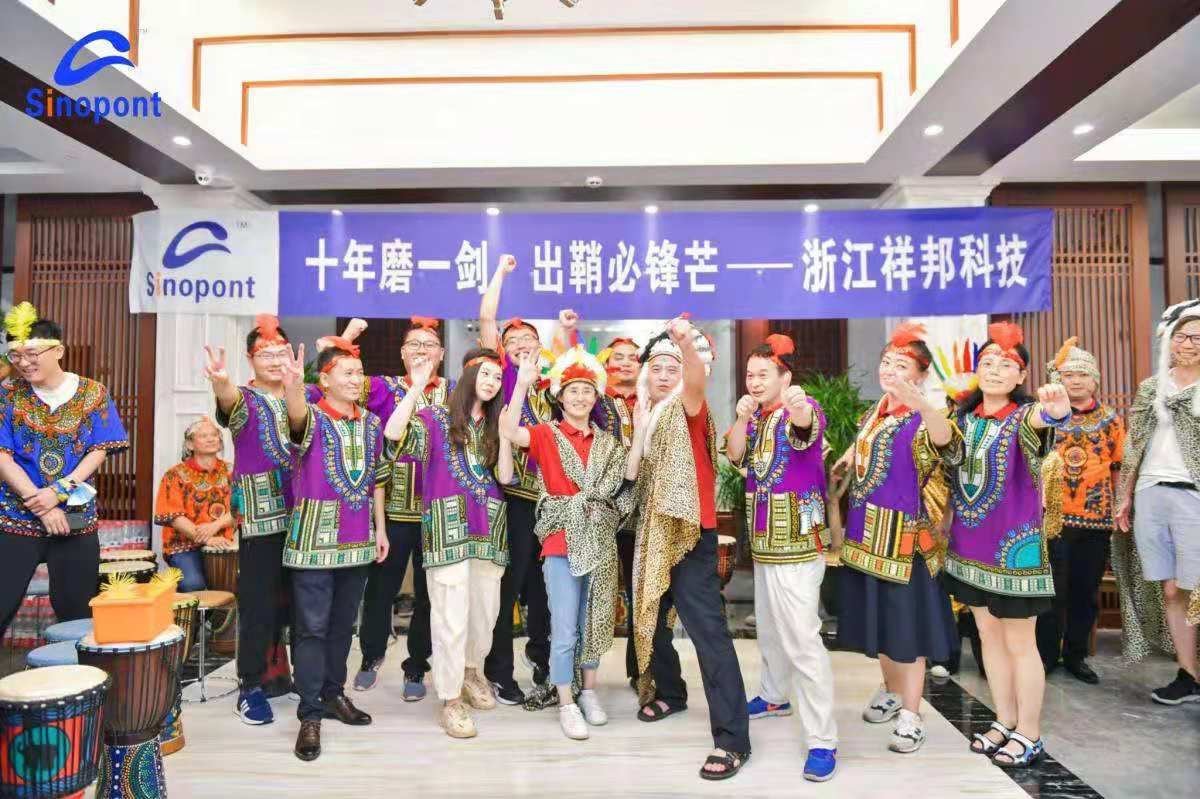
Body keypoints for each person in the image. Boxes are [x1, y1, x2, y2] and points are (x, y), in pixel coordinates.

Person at [626, 317, 751, 781]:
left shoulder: (687, 406)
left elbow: (696, 378)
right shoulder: (647, 415)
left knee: (708, 635)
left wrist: (684, 344)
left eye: (672, 368)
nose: (664, 375)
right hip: (653, 532)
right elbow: (634, 476)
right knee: (651, 619)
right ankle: (672, 693)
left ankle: (733, 739)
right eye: (656, 367)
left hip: (690, 533)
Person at [943, 322, 1070, 769]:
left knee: (1020, 642)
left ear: (1021, 376)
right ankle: (1004, 720)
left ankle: (1029, 733)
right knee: (987, 638)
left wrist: (1057, 410)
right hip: (969, 546)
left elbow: (1045, 420)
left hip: (1015, 550)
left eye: (1007, 363)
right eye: (988, 362)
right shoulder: (963, 419)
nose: (995, 369)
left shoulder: (1024, 416)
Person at [832, 323, 958, 756]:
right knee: (882, 624)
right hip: (868, 536)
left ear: (921, 374)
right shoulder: (878, 411)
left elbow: (944, 441)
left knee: (908, 630)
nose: (890, 370)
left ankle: (912, 714)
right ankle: (890, 690)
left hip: (905, 540)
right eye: (887, 362)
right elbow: (872, 446)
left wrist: (920, 401)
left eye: (902, 365)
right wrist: (849, 455)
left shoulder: (926, 416)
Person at [499, 346, 637, 740]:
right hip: (560, 540)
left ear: (596, 397)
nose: (580, 397)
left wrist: (642, 421)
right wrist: (522, 385)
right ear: (560, 397)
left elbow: (628, 478)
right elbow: (509, 431)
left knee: (594, 622)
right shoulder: (547, 434)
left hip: (600, 538)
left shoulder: (608, 443)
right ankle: (565, 701)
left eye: (587, 391)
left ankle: (588, 691)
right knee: (563, 628)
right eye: (572, 390)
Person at [725, 333, 838, 781]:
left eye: (763, 375)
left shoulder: (800, 409)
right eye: (750, 375)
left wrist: (799, 407)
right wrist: (740, 417)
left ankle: (822, 740)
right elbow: (735, 455)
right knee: (770, 629)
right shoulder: (755, 418)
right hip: (765, 543)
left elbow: (805, 429)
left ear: (785, 377)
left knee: (803, 641)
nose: (754, 382)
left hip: (797, 543)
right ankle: (774, 696)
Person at [385, 348, 514, 739]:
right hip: (447, 531)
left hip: (489, 528)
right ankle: (450, 698)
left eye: (497, 377)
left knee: (485, 614)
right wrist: (417, 387)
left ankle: (471, 672)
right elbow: (393, 435)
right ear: (469, 375)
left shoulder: (494, 424)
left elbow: (504, 476)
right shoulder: (435, 418)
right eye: (485, 374)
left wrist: (506, 433)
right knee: (450, 618)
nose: (491, 382)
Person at [280, 338, 388, 762]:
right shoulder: (312, 416)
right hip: (313, 541)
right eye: (347, 373)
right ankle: (309, 714)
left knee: (344, 626)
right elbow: (295, 418)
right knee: (311, 628)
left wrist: (380, 530)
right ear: (324, 381)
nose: (357, 379)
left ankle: (333, 694)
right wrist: (293, 385)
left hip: (358, 539)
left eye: (359, 373)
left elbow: (376, 479)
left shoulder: (372, 423)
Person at [334, 317, 449, 702]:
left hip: (438, 511)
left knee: (430, 594)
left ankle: (417, 665)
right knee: (380, 589)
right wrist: (346, 340)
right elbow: (335, 379)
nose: (421, 350)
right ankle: (371, 655)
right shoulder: (383, 387)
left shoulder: (453, 392)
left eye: (429, 345)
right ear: (401, 353)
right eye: (414, 344)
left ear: (441, 354)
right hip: (392, 507)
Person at [0, 302, 127, 638]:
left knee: (77, 616)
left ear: (58, 350)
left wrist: (57, 493)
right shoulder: (6, 394)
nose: (23, 363)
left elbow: (98, 449)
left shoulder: (93, 393)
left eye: (32, 354)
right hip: (14, 516)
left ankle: (75, 673)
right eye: (15, 355)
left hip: (74, 517)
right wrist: (41, 504)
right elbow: (2, 457)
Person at [205, 315, 296, 725]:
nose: (275, 360)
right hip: (261, 515)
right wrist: (220, 381)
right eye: (265, 354)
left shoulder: (304, 394)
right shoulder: (244, 399)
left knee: (299, 602)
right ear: (250, 359)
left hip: (306, 514)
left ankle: (289, 676)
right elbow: (227, 402)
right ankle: (250, 685)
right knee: (259, 602)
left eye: (281, 352)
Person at [1114, 300, 1200, 705]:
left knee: (1195, 586)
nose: (1189, 343)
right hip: (1151, 491)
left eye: (1197, 337)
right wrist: (1125, 496)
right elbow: (1134, 443)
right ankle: (1188, 674)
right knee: (1170, 588)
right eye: (1182, 336)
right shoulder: (1153, 387)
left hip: (1193, 493)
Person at [478, 256, 553, 705]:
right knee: (508, 586)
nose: (521, 344)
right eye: (512, 341)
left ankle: (543, 660)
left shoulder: (555, 388)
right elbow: (488, 317)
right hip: (513, 497)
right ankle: (499, 671)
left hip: (553, 504)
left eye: (529, 339)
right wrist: (502, 274)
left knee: (546, 589)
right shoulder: (505, 377)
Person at [1034, 338, 1124, 684]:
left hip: (1096, 520)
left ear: (1094, 381)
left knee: (1085, 593)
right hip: (1052, 519)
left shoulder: (1110, 419)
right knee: (1050, 592)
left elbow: (1118, 466)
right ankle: (1045, 656)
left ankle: (1076, 656)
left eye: (1082, 375)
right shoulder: (1045, 417)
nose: (1075, 381)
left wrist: (1120, 504)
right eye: (1068, 375)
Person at [593, 336, 643, 689]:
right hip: (602, 507)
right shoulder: (594, 399)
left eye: (632, 358)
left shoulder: (653, 400)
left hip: (643, 509)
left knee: (642, 589)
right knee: (593, 589)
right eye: (618, 357)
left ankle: (641, 671)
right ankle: (583, 677)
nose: (625, 363)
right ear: (606, 364)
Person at [153, 417, 236, 592]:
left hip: (223, 543)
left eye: (215, 435)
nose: (211, 439)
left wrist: (215, 526)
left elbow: (241, 507)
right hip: (183, 546)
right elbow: (174, 517)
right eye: (204, 436)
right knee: (193, 585)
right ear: (190, 444)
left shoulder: (232, 472)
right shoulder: (174, 475)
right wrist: (207, 538)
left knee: (235, 585)